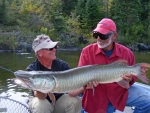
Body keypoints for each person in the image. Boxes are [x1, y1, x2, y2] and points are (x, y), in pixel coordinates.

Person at [70, 18, 150, 113]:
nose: (99, 38)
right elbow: (80, 79)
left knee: (148, 101)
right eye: (96, 34)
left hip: (119, 94)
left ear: (114, 36)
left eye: (103, 36)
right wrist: (86, 85)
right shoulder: (86, 52)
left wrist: (129, 78)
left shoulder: (127, 53)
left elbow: (130, 81)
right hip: (96, 98)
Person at [26, 34, 81, 113]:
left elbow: (72, 91)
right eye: (50, 48)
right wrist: (42, 87)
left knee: (75, 100)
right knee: (40, 105)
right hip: (42, 100)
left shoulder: (63, 65)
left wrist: (86, 85)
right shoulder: (32, 70)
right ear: (40, 53)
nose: (54, 50)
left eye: (55, 47)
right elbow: (41, 97)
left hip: (59, 102)